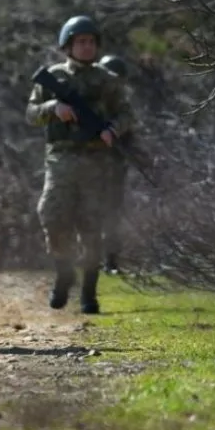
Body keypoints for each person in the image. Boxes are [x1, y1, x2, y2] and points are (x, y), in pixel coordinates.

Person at [25, 15, 133, 315]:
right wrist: (53, 108)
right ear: (68, 45)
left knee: (91, 227)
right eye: (80, 42)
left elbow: (126, 113)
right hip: (61, 159)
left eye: (90, 42)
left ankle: (89, 292)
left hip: (97, 161)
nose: (86, 47)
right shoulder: (54, 77)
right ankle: (63, 271)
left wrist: (113, 130)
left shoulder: (108, 81)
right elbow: (31, 113)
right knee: (52, 215)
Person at [97, 54, 131, 275]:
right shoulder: (93, 103)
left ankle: (110, 260)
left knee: (112, 215)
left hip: (114, 167)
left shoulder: (122, 107)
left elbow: (129, 133)